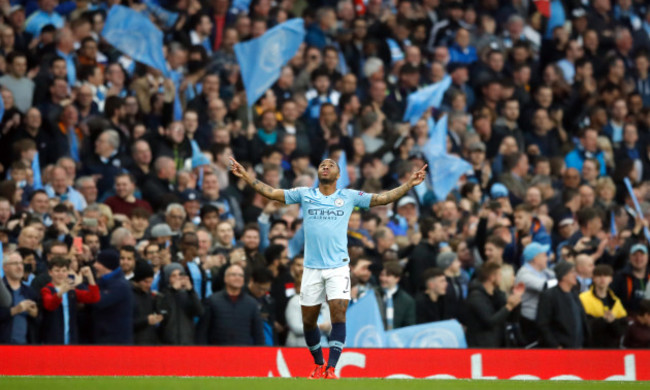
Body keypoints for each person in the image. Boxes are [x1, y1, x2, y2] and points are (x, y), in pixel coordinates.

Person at [229, 155, 427, 379]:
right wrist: (245, 175)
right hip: (312, 267)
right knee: (308, 321)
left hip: (338, 267)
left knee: (339, 314)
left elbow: (382, 198)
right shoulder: (305, 194)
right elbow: (273, 193)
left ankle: (332, 368)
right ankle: (318, 364)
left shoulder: (349, 196)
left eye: (331, 164)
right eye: (322, 164)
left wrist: (409, 184)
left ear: (338, 175)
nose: (325, 166)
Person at [197, 264, 264, 346]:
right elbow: (202, 332)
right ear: (225, 279)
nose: (237, 277)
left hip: (243, 353)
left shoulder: (252, 303)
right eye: (233, 275)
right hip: (217, 353)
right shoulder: (212, 300)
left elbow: (258, 335)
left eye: (241, 275)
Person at [40, 257, 99, 344]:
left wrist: (90, 277)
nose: (60, 274)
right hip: (52, 339)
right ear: (50, 272)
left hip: (71, 339)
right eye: (57, 271)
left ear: (68, 272)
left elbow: (94, 297)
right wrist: (60, 293)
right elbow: (49, 305)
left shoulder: (71, 291)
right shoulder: (47, 290)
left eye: (64, 271)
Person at [465, 263, 524, 347]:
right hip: (482, 345)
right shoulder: (475, 297)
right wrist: (509, 306)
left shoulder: (497, 294)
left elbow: (512, 319)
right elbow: (490, 321)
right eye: (500, 275)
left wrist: (516, 302)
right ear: (492, 277)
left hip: (499, 344)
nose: (501, 277)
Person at [537, 262, 590, 348]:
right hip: (561, 349)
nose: (576, 275)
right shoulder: (549, 295)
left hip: (578, 347)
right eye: (573, 272)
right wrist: (555, 345)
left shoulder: (575, 294)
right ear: (563, 275)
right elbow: (543, 324)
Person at [514, 242, 557, 344]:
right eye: (544, 255)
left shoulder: (546, 271)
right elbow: (545, 286)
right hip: (530, 321)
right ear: (535, 259)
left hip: (545, 318)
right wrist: (561, 282)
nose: (547, 258)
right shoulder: (523, 274)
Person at [91, 249, 134, 345]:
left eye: (98, 262)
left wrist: (86, 283)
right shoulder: (104, 281)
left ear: (107, 265)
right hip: (104, 338)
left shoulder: (120, 285)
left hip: (115, 342)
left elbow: (98, 301)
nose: (94, 265)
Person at [579, 264, 627, 348]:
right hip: (590, 347)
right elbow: (583, 325)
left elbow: (622, 330)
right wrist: (603, 320)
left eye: (606, 275)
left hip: (611, 349)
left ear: (611, 279)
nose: (602, 279)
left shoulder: (616, 301)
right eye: (599, 275)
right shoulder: (583, 298)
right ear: (593, 278)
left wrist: (613, 321)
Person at [158, 263, 203, 345]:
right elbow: (163, 313)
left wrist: (191, 291)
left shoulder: (189, 294)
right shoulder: (163, 295)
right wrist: (173, 290)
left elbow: (199, 312)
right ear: (168, 278)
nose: (178, 278)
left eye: (180, 275)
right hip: (168, 343)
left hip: (187, 342)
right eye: (173, 276)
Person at [0, 252, 39, 343]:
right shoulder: (1, 290)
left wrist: (35, 314)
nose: (19, 267)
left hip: (25, 346)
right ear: (5, 267)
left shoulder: (30, 292)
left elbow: (39, 321)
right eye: (15, 264)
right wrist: (14, 310)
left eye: (21, 263)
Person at [131, 260, 163, 345]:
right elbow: (125, 323)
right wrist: (146, 320)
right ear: (137, 280)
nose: (149, 285)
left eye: (151, 281)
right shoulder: (128, 294)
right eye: (145, 281)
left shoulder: (149, 294)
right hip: (134, 343)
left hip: (150, 342)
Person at [378, 261, 416, 330]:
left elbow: (409, 326)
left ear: (397, 278)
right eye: (381, 275)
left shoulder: (407, 301)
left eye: (387, 276)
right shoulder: (373, 294)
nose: (383, 279)